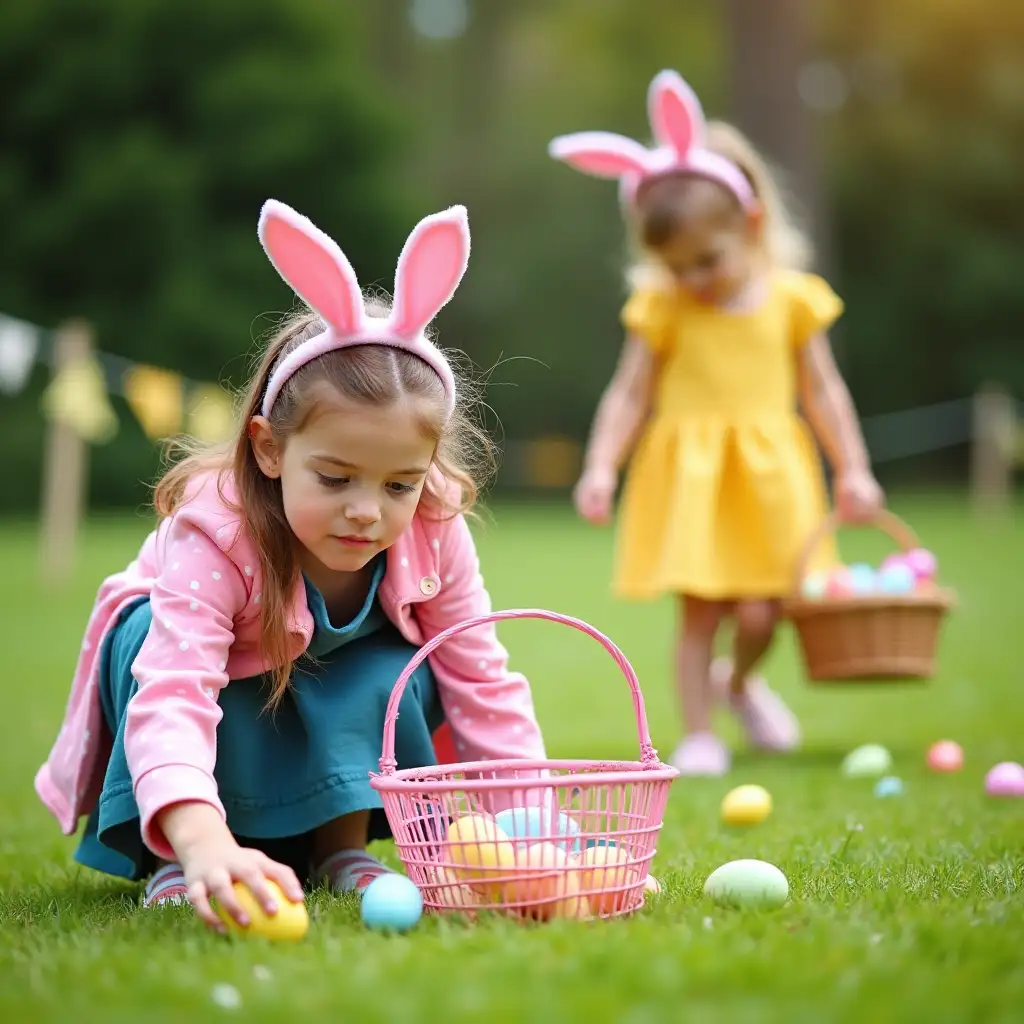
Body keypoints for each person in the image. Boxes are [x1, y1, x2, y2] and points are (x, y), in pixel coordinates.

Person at [35, 200, 547, 931]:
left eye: (398, 483)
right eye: (335, 478)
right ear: (270, 450)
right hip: (215, 698)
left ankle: (338, 846)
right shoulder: (219, 531)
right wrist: (202, 841)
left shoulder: (433, 525)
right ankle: (183, 862)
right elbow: (175, 693)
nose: (368, 511)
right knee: (145, 630)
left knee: (408, 662)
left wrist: (534, 836)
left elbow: (480, 679)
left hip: (314, 684)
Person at [548, 70, 884, 775]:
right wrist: (601, 466)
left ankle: (739, 685)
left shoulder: (792, 301)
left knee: (768, 612)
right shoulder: (664, 309)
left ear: (752, 223)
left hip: (770, 474)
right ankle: (700, 733)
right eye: (676, 267)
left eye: (709, 260)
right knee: (700, 613)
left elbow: (824, 392)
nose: (694, 279)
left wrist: (852, 466)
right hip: (693, 475)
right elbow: (629, 395)